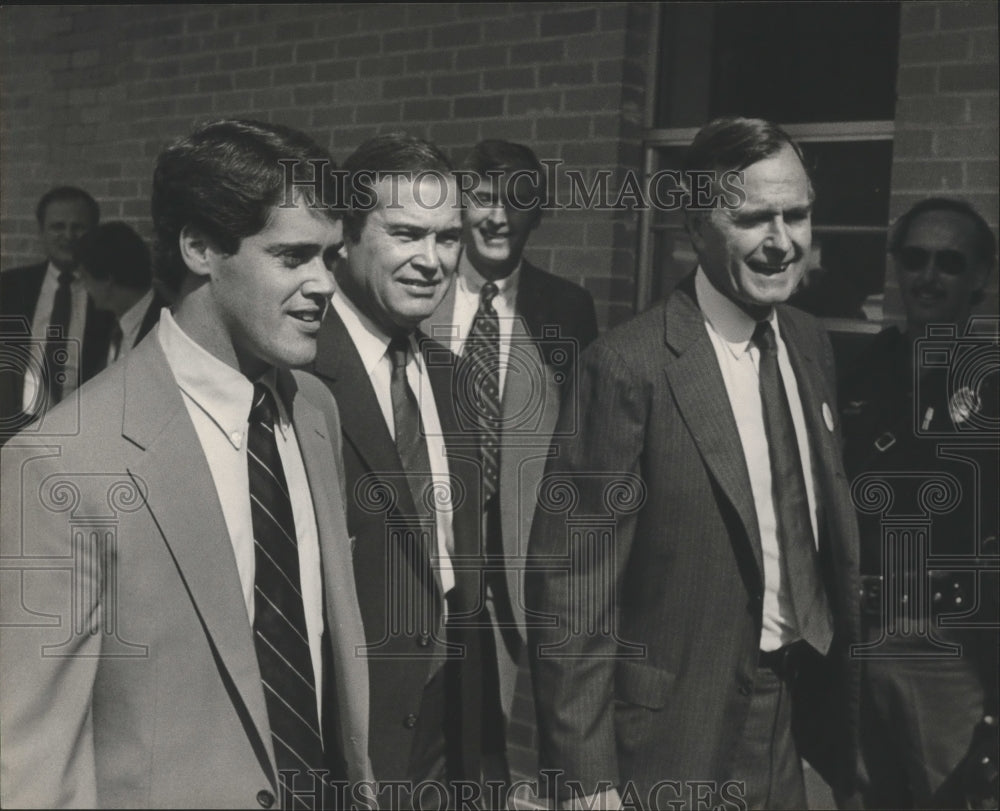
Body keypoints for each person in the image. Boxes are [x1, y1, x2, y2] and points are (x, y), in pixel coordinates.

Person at [0, 119, 373, 809]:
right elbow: (30, 767)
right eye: (293, 257)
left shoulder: (315, 410)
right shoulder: (60, 466)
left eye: (332, 256)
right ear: (200, 247)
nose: (325, 285)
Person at [526, 117, 862, 810]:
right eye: (752, 218)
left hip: (793, 714)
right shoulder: (628, 366)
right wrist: (589, 782)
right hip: (671, 736)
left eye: (795, 215)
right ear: (695, 224)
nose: (781, 242)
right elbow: (574, 590)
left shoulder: (809, 342)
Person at [310, 132, 497, 808]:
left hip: (453, 711)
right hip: (349, 728)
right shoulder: (296, 376)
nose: (432, 260)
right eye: (406, 234)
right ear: (348, 238)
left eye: (447, 238)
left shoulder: (450, 376)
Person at [421, 139, 598, 778]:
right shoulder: (420, 294)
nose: (498, 217)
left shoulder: (567, 309)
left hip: (521, 557)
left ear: (538, 213)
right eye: (483, 199)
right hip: (432, 546)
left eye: (517, 201)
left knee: (499, 740)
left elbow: (580, 441)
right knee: (426, 722)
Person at [839, 197, 999, 809]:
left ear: (980, 277)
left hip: (948, 649)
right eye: (915, 258)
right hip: (858, 637)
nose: (929, 276)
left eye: (950, 263)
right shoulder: (863, 371)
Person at [0, 186, 116, 433]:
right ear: (41, 232)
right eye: (57, 227)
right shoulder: (9, 287)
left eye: (78, 227)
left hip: (83, 428)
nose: (68, 236)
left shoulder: (109, 293)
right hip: (15, 429)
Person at [77, 220, 170, 364]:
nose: (84, 287)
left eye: (85, 278)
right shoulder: (106, 325)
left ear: (107, 279)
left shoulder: (167, 326)